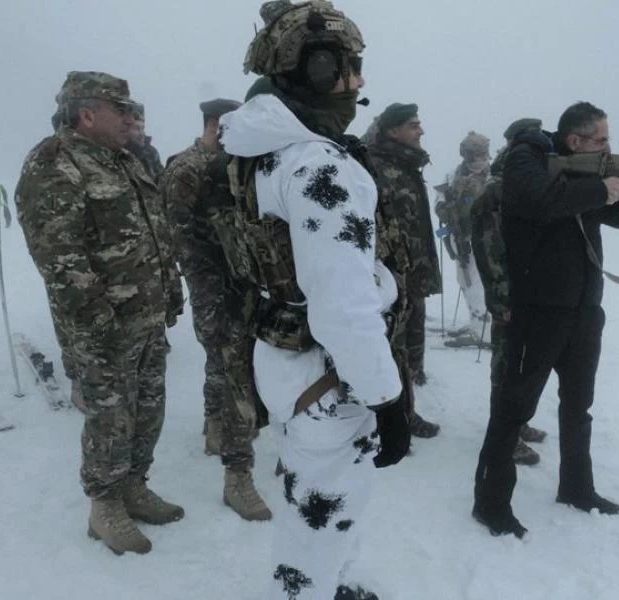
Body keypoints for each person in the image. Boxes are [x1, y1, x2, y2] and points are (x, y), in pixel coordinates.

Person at [218, 2, 409, 598]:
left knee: (315, 499)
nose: (358, 82)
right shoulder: (319, 165)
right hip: (326, 372)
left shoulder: (261, 150)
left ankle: (327, 584)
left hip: (285, 355)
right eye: (347, 67)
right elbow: (342, 305)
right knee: (322, 513)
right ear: (318, 69)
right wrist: (387, 398)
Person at [472, 102, 619, 538]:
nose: (608, 147)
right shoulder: (527, 159)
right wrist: (603, 188)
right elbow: (540, 202)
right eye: (601, 140)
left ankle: (577, 489)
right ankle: (490, 504)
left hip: (582, 312)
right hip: (536, 312)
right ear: (574, 141)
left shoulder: (583, 179)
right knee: (512, 410)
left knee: (578, 408)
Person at [15, 71, 185, 554]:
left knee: (148, 408)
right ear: (88, 114)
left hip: (147, 317)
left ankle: (134, 485)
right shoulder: (55, 162)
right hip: (102, 325)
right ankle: (105, 505)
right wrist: (96, 322)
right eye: (122, 109)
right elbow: (58, 256)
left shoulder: (122, 161)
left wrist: (170, 290)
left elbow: (154, 232)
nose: (132, 118)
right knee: (111, 417)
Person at [160, 98, 272, 522]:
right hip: (211, 285)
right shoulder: (186, 169)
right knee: (231, 369)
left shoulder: (238, 165)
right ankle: (235, 469)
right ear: (215, 124)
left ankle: (215, 428)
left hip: (242, 283)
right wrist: (207, 285)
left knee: (224, 365)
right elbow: (178, 237)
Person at [469, 119, 549, 467]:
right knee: (506, 367)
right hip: (510, 296)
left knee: (525, 366)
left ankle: (518, 422)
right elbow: (487, 249)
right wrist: (501, 299)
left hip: (531, 291)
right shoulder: (497, 188)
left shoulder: (526, 182)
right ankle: (506, 435)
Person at [367, 103, 442, 437]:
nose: (421, 130)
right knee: (391, 347)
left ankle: (404, 411)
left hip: (412, 275)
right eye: (413, 125)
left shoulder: (406, 166)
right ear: (392, 131)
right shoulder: (377, 167)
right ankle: (395, 420)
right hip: (391, 278)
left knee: (409, 345)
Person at [436, 131, 490, 348]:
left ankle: (484, 333)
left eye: (478, 152)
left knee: (480, 285)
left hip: (487, 240)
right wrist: (444, 208)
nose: (474, 157)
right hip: (461, 238)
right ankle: (476, 323)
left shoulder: (494, 175)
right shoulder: (454, 175)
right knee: (465, 281)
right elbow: (439, 198)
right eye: (469, 153)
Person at [126, 103, 165, 180]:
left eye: (143, 128)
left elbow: (162, 180)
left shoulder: (151, 153)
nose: (142, 133)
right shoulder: (120, 154)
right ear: (126, 129)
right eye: (137, 128)